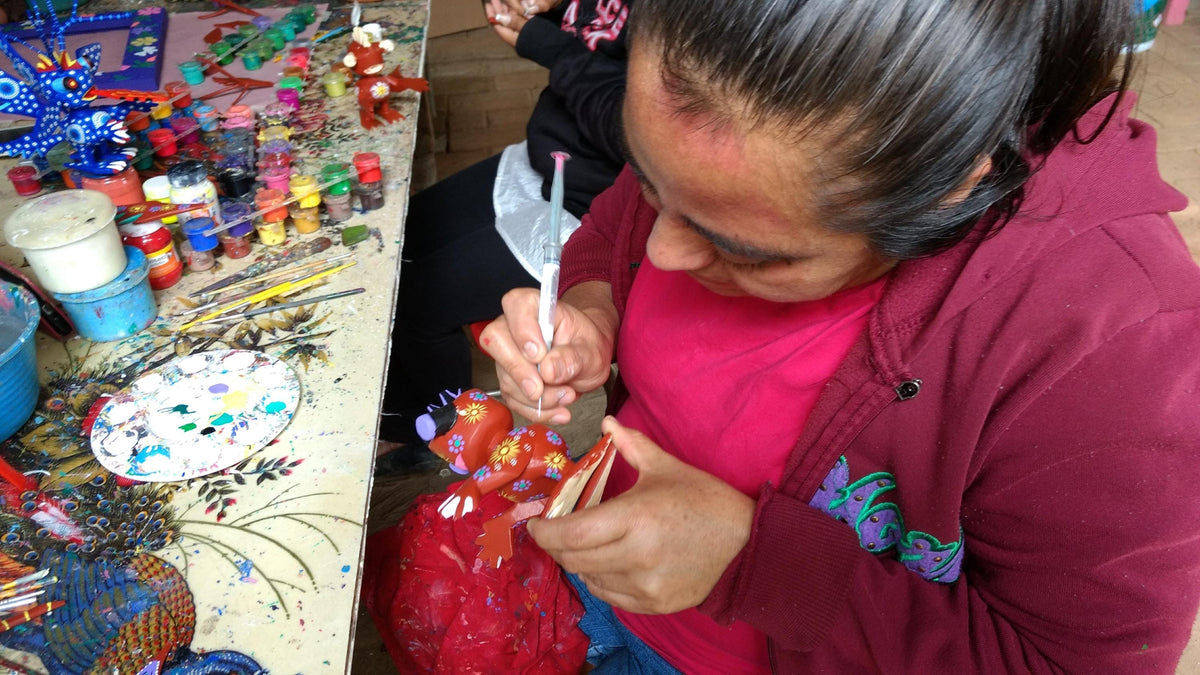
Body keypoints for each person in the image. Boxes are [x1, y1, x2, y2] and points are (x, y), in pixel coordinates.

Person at [478, 0, 1200, 671]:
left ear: (942, 192)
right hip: (615, 609)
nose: (664, 252)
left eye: (745, 250)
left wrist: (752, 564)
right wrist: (594, 308)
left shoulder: (1110, 346)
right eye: (650, 178)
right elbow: (615, 230)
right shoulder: (711, 164)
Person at [377, 0, 630, 462]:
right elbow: (596, 36)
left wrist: (548, 44)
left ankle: (429, 438)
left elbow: (631, 122)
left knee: (417, 298)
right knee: (398, 240)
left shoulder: (690, 25)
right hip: (549, 158)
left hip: (585, 201)